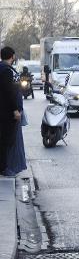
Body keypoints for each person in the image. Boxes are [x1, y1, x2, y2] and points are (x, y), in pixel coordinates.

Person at [0, 47, 22, 176]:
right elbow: (9, 92)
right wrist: (15, 110)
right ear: (12, 56)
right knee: (6, 140)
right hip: (6, 112)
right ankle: (3, 168)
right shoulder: (6, 71)